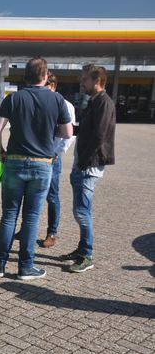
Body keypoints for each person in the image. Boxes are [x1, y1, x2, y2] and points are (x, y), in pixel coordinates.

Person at [0, 57, 73, 280]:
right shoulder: (57, 100)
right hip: (42, 164)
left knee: (8, 216)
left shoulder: (13, 99)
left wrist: (1, 152)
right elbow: (68, 133)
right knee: (32, 218)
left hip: (14, 161)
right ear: (45, 76)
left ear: (26, 76)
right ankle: (26, 268)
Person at [59, 64, 116, 273]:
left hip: (89, 166)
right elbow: (87, 130)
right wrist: (65, 129)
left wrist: (83, 162)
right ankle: (82, 249)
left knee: (82, 212)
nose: (82, 83)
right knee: (81, 210)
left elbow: (99, 136)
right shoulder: (95, 102)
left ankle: (87, 255)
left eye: (85, 80)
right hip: (84, 164)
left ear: (97, 81)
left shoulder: (104, 103)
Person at [15, 72, 76, 247]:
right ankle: (25, 229)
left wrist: (56, 154)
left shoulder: (65, 105)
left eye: (48, 85)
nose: (44, 88)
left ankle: (52, 232)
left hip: (52, 157)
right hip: (36, 156)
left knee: (52, 197)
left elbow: (69, 136)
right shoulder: (38, 101)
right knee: (29, 193)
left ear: (54, 86)